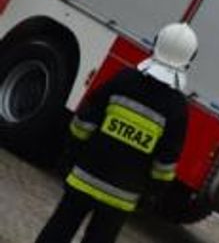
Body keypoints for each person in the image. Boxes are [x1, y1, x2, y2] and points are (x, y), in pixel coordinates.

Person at [35, 23, 196, 243]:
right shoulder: (177, 108)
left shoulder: (124, 79)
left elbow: (84, 122)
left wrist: (69, 155)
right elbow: (165, 166)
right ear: (189, 60)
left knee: (59, 229)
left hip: (84, 178)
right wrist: (151, 195)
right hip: (121, 198)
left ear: (156, 44)